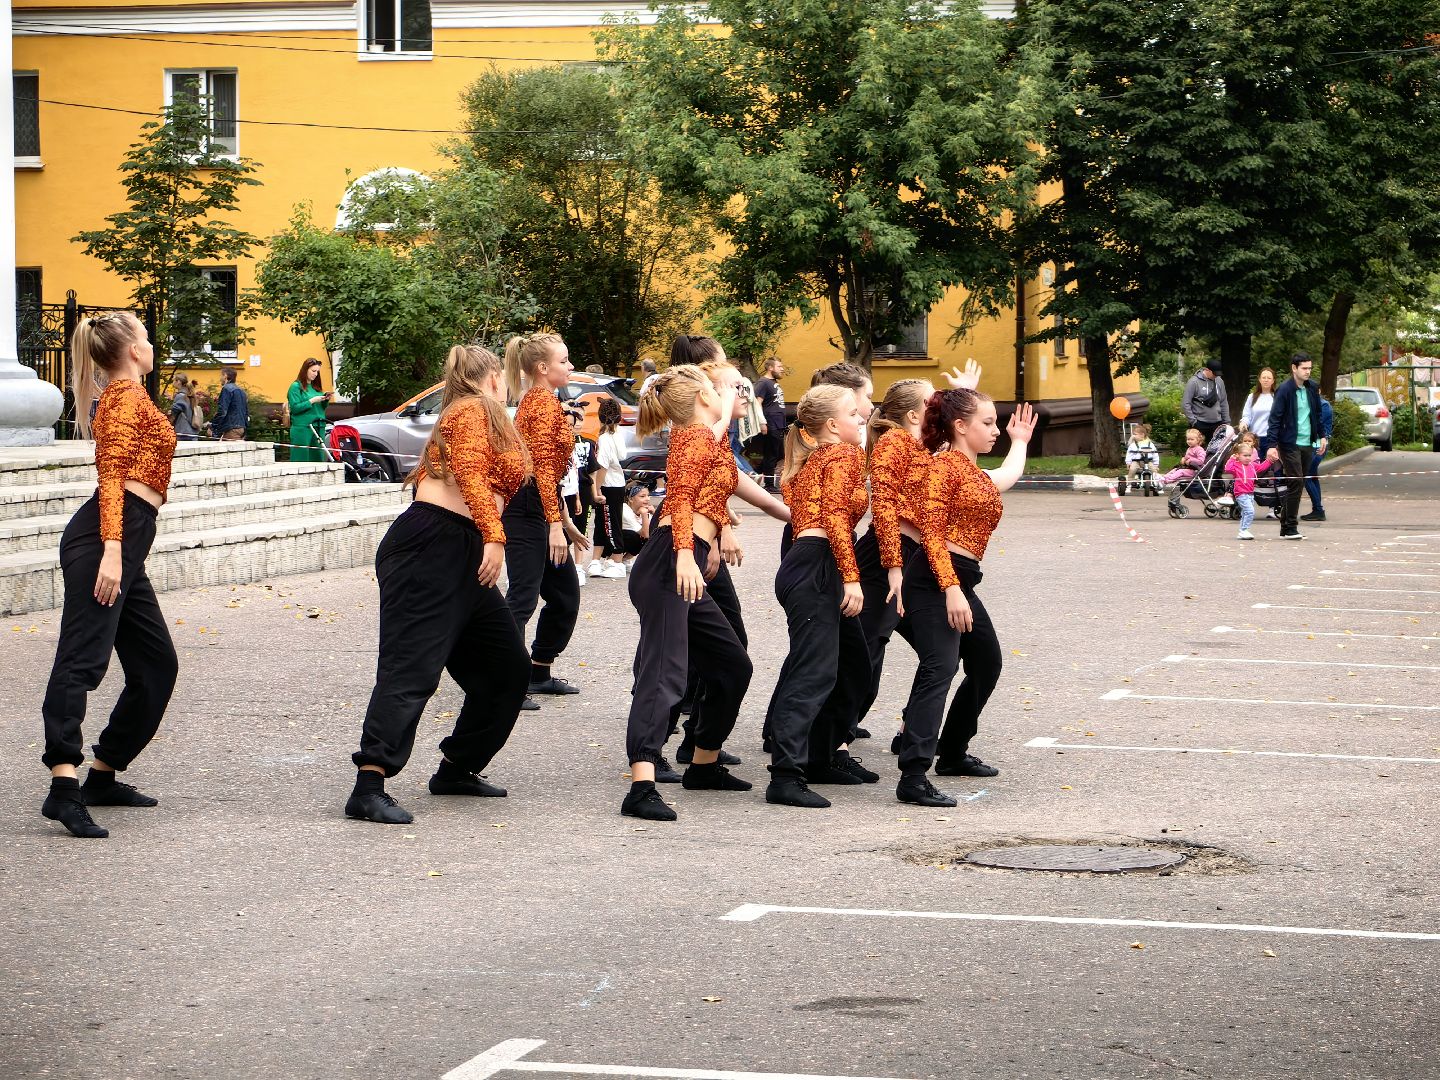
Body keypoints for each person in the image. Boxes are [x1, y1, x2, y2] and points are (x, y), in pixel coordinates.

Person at [347, 344, 532, 824]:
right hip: (431, 545)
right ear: (491, 377)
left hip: (462, 547)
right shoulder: (470, 409)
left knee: (507, 669)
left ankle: (457, 768)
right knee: (412, 667)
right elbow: (469, 472)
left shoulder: (487, 416)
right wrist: (496, 536)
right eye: (503, 376)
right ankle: (369, 785)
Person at [39, 312, 179, 839]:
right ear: (131, 352)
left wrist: (123, 550)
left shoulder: (133, 396)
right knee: (83, 660)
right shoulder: (122, 396)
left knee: (156, 667)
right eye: (145, 336)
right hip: (105, 539)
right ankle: (63, 786)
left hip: (124, 539)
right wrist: (114, 552)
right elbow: (111, 475)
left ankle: (102, 774)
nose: (150, 343)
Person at [621, 365, 754, 821]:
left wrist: (717, 537)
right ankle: (641, 786)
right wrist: (683, 554)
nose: (727, 395)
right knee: (666, 672)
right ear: (701, 396)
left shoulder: (702, 435)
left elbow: (713, 488)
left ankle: (704, 765)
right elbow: (678, 496)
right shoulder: (692, 438)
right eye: (718, 389)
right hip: (669, 563)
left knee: (733, 666)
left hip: (688, 557)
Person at [898, 389, 1037, 806]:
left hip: (960, 579)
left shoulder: (972, 470)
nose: (995, 429)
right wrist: (951, 589)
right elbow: (932, 535)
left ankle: (952, 752)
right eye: (988, 422)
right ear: (960, 426)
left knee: (986, 662)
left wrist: (1020, 442)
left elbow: (1006, 477)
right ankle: (912, 776)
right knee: (939, 666)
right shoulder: (942, 467)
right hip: (934, 579)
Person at [764, 384, 870, 809]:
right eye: (854, 414)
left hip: (809, 562)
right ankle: (786, 774)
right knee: (814, 673)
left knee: (854, 667)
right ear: (831, 425)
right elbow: (836, 521)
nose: (862, 418)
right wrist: (851, 577)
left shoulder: (813, 458)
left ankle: (821, 755)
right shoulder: (842, 454)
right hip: (819, 564)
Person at [502, 333, 591, 702]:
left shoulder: (549, 402)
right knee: (522, 599)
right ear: (542, 368)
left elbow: (552, 470)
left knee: (565, 596)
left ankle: (538, 671)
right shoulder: (539, 404)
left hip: (542, 505)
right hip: (526, 508)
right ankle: (504, 681)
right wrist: (555, 525)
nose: (570, 367)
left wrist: (564, 522)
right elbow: (538, 467)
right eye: (564, 361)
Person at [1266, 353, 1328, 540]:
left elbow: (1317, 414)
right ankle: (1291, 527)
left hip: (1308, 442)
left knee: (1296, 484)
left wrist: (1322, 436)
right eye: (1304, 368)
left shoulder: (1312, 387)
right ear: (1294, 368)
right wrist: (1271, 445)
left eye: (1310, 368)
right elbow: (1275, 418)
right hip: (1289, 443)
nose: (1308, 372)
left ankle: (1285, 527)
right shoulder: (1284, 390)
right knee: (1296, 481)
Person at [589, 396, 629, 579]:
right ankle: (597, 558)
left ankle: (617, 558)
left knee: (611, 524)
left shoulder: (605, 438)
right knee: (602, 522)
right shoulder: (618, 435)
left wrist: (596, 489)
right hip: (617, 483)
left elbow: (603, 466)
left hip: (608, 485)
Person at [561, 404, 597, 585]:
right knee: (561, 531)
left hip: (577, 492)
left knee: (580, 528)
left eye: (573, 423)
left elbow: (579, 473)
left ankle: (578, 566)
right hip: (558, 493)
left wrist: (579, 497)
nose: (572, 427)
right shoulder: (553, 445)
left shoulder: (585, 444)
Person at [1223, 439, 1273, 540]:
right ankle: (1244, 530)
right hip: (1240, 493)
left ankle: (1242, 531)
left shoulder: (1252, 465)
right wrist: (1232, 459)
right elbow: (1227, 469)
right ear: (1238, 455)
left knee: (1245, 513)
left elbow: (1261, 468)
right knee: (1250, 511)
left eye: (1249, 455)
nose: (1247, 458)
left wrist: (1269, 460)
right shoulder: (1236, 465)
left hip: (1250, 493)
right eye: (1245, 455)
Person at [287, 358, 331, 463]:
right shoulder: (296, 387)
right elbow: (295, 408)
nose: (316, 374)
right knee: (301, 458)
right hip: (303, 427)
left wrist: (325, 400)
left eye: (317, 372)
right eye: (313, 371)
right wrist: (311, 401)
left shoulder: (316, 387)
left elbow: (321, 408)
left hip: (318, 426)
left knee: (318, 458)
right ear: (305, 370)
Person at [753, 358, 788, 487]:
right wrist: (762, 422)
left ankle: (755, 473)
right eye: (779, 366)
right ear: (770, 368)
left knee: (779, 454)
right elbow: (757, 403)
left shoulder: (773, 383)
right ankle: (769, 484)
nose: (782, 369)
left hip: (779, 423)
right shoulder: (763, 382)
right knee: (771, 454)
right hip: (770, 422)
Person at [1302, 393, 1334, 523]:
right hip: (1310, 444)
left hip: (1318, 445)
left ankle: (1319, 510)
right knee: (1312, 476)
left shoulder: (1323, 405)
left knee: (1307, 476)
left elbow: (1319, 427)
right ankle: (1317, 509)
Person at [1182, 358, 1229, 445]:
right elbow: (1186, 403)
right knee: (1198, 452)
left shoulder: (1219, 381)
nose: (1216, 376)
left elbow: (1223, 402)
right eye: (1214, 374)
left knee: (1216, 452)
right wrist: (1194, 422)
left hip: (1217, 423)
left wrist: (1226, 422)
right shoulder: (1193, 382)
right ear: (1207, 370)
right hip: (1200, 423)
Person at [1241, 367, 1277, 457]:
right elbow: (1246, 415)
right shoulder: (1252, 397)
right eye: (1264, 377)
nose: (1266, 380)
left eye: (1269, 378)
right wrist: (1244, 423)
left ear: (1273, 380)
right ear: (1259, 379)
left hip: (1271, 439)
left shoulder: (1277, 397)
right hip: (1254, 438)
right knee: (1255, 466)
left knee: (1273, 468)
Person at [1119, 422, 1160, 495]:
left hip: (1148, 462)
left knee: (1154, 471)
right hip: (1136, 462)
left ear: (1142, 435)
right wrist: (1128, 462)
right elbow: (1129, 453)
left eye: (1135, 434)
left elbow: (1155, 454)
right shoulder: (1133, 445)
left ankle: (1156, 484)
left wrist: (1156, 464)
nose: (1133, 436)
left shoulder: (1150, 444)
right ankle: (1129, 484)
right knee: (1132, 469)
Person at [209, 367, 249, 441]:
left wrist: (213, 426)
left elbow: (222, 411)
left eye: (221, 375)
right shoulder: (242, 391)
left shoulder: (226, 389)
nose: (220, 378)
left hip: (231, 428)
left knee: (230, 451)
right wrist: (245, 428)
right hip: (241, 428)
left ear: (225, 376)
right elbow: (246, 412)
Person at [169, 373, 199, 441]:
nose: (173, 382)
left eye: (174, 380)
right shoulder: (189, 395)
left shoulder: (180, 396)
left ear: (178, 381)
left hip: (182, 432)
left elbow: (174, 411)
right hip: (192, 432)